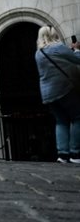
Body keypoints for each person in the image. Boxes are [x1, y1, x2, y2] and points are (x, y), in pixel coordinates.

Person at [34, 26, 80, 163]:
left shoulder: (38, 53)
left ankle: (63, 154)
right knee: (78, 117)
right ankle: (76, 153)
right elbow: (77, 59)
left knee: (61, 121)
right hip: (64, 89)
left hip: (47, 94)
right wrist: (76, 49)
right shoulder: (58, 47)